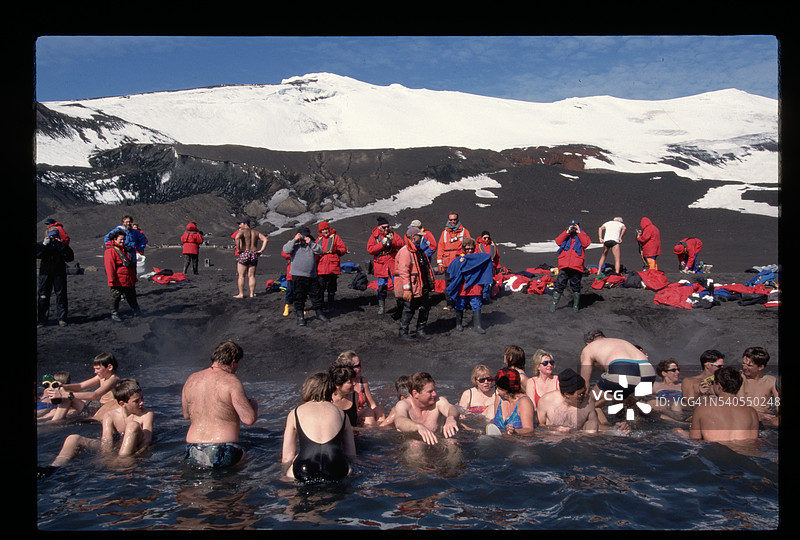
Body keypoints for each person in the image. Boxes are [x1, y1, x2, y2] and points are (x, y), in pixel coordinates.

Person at [38, 378, 154, 477]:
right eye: (136, 401)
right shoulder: (110, 415)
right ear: (122, 404)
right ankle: (54, 468)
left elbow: (146, 441)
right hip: (117, 446)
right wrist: (107, 458)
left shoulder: (146, 414)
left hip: (134, 448)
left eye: (142, 399)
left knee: (132, 425)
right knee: (73, 438)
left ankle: (122, 462)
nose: (142, 403)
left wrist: (133, 456)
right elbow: (106, 441)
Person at [181, 340, 259, 469]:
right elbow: (248, 419)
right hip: (222, 449)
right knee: (247, 461)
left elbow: (186, 415)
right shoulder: (231, 382)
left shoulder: (191, 379)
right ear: (233, 362)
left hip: (192, 448)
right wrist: (254, 406)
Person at [281, 372, 356, 483]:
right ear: (330, 390)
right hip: (336, 467)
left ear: (307, 389)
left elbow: (287, 458)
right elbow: (351, 454)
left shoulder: (295, 413)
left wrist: (283, 473)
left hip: (304, 468)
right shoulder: (342, 414)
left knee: (290, 485)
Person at [579, 329, 655, 407]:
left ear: (588, 343)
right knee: (627, 402)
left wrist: (582, 396)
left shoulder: (589, 348)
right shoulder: (621, 341)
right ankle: (638, 417)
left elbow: (584, 382)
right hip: (648, 373)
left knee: (587, 403)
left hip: (623, 371)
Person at [686, 366, 759, 442]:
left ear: (719, 386)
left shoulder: (702, 409)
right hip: (744, 450)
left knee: (678, 431)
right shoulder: (752, 412)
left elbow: (694, 440)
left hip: (715, 450)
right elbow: (753, 441)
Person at [46, 352, 121, 421]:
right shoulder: (101, 377)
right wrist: (64, 386)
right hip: (96, 405)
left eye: (98, 369)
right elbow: (81, 386)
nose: (95, 372)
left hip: (100, 410)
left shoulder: (113, 380)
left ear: (109, 367)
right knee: (66, 397)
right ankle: (57, 418)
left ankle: (55, 422)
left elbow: (94, 395)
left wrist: (66, 394)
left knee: (67, 398)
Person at [393, 372, 460, 445]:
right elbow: (399, 421)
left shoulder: (438, 402)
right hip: (413, 446)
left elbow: (452, 408)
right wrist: (418, 427)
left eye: (434, 390)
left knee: (452, 442)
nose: (435, 394)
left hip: (438, 442)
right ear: (415, 393)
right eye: (430, 392)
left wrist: (451, 417)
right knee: (415, 445)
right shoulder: (404, 404)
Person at [394, 226, 436, 340]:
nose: (421, 238)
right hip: (413, 286)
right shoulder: (405, 251)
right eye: (419, 236)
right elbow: (404, 271)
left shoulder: (419, 250)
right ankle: (403, 332)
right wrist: (407, 289)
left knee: (425, 308)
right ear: (413, 237)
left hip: (422, 285)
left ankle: (420, 330)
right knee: (409, 309)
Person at [447, 237, 493, 334]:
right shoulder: (458, 258)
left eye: (471, 248)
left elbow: (488, 256)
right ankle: (459, 324)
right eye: (467, 248)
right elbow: (451, 269)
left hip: (474, 285)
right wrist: (459, 262)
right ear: (464, 248)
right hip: (463, 285)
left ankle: (477, 326)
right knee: (460, 304)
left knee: (476, 303)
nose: (469, 250)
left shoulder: (477, 257)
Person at [282, 226, 327, 326]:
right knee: (299, 296)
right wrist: (295, 239)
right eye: (302, 235)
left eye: (305, 235)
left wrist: (310, 243)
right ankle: (300, 316)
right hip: (297, 275)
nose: (303, 237)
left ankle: (319, 313)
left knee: (316, 295)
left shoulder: (312, 244)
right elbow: (286, 250)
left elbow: (320, 251)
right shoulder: (294, 244)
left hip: (311, 275)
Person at [536, 368, 603, 432]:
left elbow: (592, 425)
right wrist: (554, 429)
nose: (585, 396)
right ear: (567, 394)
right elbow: (538, 427)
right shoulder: (546, 401)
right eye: (581, 394)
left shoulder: (588, 402)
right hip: (553, 441)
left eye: (585, 391)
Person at [334, 350, 386, 426]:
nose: (361, 367)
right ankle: (371, 434)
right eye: (357, 366)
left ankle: (380, 431)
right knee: (368, 413)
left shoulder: (362, 381)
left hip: (361, 413)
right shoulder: (341, 383)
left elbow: (372, 404)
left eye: (360, 364)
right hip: (352, 415)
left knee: (379, 410)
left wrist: (377, 415)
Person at [551, 219, 592, 312]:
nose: (573, 228)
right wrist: (567, 232)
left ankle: (575, 306)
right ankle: (553, 306)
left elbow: (586, 243)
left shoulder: (581, 235)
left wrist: (579, 232)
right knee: (560, 284)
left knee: (576, 285)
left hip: (576, 265)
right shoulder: (566, 235)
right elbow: (558, 241)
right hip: (564, 264)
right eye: (572, 226)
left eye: (575, 226)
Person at [37, 228, 75, 327]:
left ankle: (62, 318)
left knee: (61, 295)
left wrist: (62, 246)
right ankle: (42, 319)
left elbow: (70, 257)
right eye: (52, 236)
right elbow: (38, 254)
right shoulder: (42, 245)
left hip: (59, 273)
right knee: (43, 296)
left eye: (56, 236)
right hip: (45, 273)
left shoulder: (61, 246)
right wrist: (44, 245)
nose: (54, 238)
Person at [366, 216, 404, 315]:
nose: (386, 229)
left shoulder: (393, 234)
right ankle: (382, 308)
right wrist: (381, 244)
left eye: (387, 227)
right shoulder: (374, 236)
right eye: (384, 227)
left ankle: (400, 306)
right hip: (381, 264)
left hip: (392, 262)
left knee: (398, 285)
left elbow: (401, 244)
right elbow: (370, 250)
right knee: (381, 286)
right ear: (379, 227)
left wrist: (392, 241)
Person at [104, 230, 141, 321]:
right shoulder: (111, 251)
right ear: (115, 239)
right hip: (118, 279)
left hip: (128, 278)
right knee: (115, 297)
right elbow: (110, 266)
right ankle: (114, 313)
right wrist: (111, 280)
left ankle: (136, 310)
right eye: (121, 239)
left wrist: (133, 277)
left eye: (124, 239)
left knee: (131, 296)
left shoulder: (125, 249)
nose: (122, 241)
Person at [436, 212, 471, 309]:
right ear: (448, 220)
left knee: (461, 283)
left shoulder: (464, 232)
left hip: (460, 263)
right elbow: (440, 248)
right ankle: (450, 303)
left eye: (454, 219)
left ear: (457, 219)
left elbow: (470, 246)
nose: (452, 221)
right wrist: (439, 263)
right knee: (449, 284)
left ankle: (462, 304)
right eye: (451, 219)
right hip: (448, 263)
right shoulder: (444, 233)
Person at [738, 346, 779, 425]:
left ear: (760, 367)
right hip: (745, 417)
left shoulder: (771, 381)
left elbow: (778, 404)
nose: (744, 367)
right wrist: (742, 379)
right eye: (743, 364)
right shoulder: (739, 379)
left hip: (764, 420)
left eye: (749, 366)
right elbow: (739, 406)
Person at [490, 367, 535, 435]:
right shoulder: (498, 398)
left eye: (498, 387)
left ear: (505, 389)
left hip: (520, 442)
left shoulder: (524, 402)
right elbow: (494, 421)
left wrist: (515, 432)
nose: (497, 390)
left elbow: (529, 429)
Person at [316, 221, 347, 313]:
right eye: (323, 230)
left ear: (328, 229)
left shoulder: (335, 237)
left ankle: (330, 304)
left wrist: (339, 252)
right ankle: (321, 304)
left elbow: (343, 248)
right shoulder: (318, 240)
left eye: (326, 229)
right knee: (320, 286)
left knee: (331, 287)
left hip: (332, 266)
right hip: (321, 267)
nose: (325, 231)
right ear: (320, 231)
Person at [234, 218, 268, 298]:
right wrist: (261, 250)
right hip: (254, 253)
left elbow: (237, 238)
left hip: (245, 252)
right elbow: (265, 240)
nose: (239, 226)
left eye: (240, 224)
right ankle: (252, 294)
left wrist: (238, 248)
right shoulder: (256, 232)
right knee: (251, 275)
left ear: (245, 224)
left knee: (241, 275)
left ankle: (241, 294)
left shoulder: (242, 231)